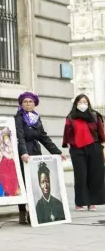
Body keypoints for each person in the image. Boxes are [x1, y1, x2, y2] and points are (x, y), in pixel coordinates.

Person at [14, 92, 63, 224]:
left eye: (30, 102)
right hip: (24, 153)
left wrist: (57, 152)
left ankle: (33, 212)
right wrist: (24, 152)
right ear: (21, 104)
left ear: (35, 104)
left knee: (35, 182)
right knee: (24, 183)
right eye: (25, 102)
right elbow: (20, 136)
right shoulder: (18, 118)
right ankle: (22, 212)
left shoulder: (36, 118)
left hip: (35, 152)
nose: (28, 104)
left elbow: (43, 137)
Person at [62, 94, 105, 211]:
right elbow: (67, 132)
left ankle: (92, 202)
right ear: (76, 104)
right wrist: (69, 143)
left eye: (85, 102)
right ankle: (80, 202)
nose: (83, 104)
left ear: (88, 103)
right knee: (80, 175)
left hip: (94, 147)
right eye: (80, 102)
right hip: (77, 149)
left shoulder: (95, 115)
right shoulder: (71, 117)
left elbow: (101, 131)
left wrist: (102, 144)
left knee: (94, 175)